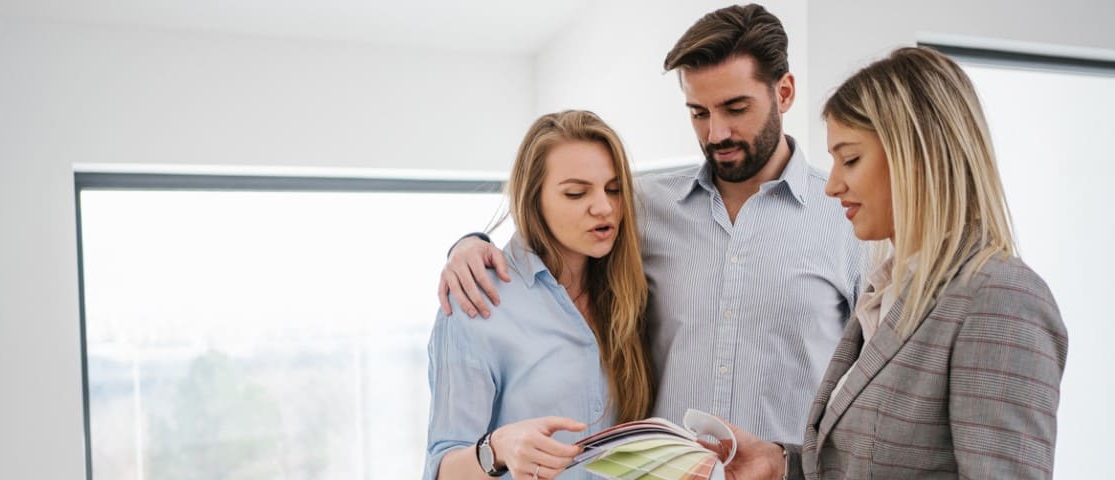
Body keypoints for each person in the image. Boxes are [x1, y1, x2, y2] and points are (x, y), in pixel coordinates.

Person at [438, 3, 862, 444]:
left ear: (785, 93)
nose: (715, 133)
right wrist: (469, 245)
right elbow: (550, 232)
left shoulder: (848, 217)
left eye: (735, 108)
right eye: (699, 112)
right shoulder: (641, 206)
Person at [721, 46, 1069, 479]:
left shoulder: (1001, 299)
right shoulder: (887, 292)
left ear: (916, 157)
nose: (831, 185)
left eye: (850, 159)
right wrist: (781, 465)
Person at [423, 110, 654, 480]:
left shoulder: (631, 291)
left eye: (613, 189)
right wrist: (497, 448)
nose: (604, 207)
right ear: (533, 198)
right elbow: (441, 469)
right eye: (576, 193)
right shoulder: (476, 301)